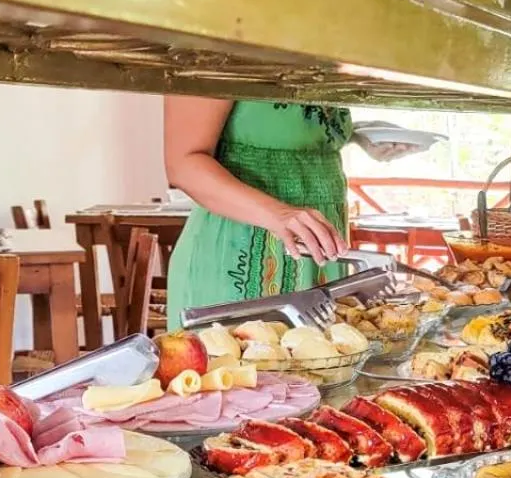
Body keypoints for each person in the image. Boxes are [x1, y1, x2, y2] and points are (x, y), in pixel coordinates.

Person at [163, 98, 416, 323]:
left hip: (319, 258)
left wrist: (358, 134)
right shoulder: (218, 46)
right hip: (239, 257)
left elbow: (273, 125)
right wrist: (279, 214)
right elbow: (183, 164)